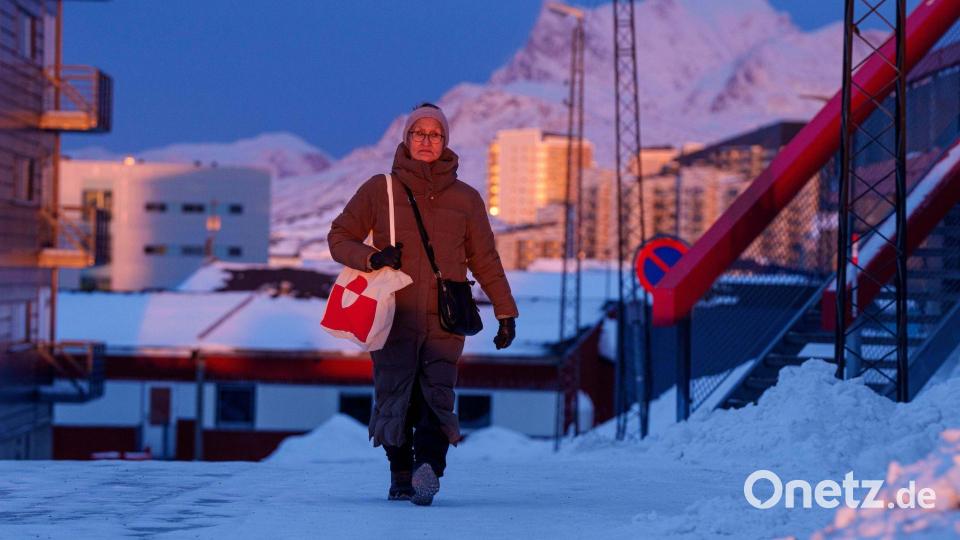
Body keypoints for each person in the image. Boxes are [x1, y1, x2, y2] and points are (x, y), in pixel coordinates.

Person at [327, 103, 518, 506]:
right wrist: (372, 258)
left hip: (445, 315)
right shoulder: (380, 189)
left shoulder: (466, 198)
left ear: (445, 141)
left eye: (435, 134)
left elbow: (485, 258)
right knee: (396, 392)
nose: (426, 141)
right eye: (419, 133)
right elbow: (339, 237)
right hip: (392, 311)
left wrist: (505, 312)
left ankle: (427, 467)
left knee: (437, 392)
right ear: (406, 138)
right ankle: (400, 473)